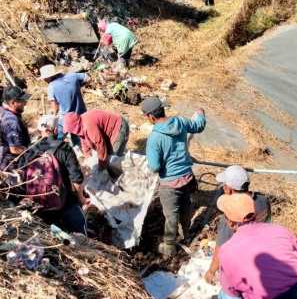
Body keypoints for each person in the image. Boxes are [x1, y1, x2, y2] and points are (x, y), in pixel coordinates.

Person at [216, 193, 297, 299]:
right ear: (254, 213)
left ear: (230, 223)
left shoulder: (227, 250)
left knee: (224, 295)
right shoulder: (280, 230)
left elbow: (231, 291)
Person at [142, 96, 206, 257]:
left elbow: (155, 166)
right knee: (185, 208)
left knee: (171, 216)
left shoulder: (155, 138)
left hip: (170, 184)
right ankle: (186, 234)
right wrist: (200, 113)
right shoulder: (181, 122)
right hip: (187, 177)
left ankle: (169, 247)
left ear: (150, 116)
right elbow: (198, 126)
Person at [17, 115, 88, 235]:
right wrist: (80, 198)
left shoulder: (30, 149)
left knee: (44, 235)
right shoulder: (64, 148)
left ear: (40, 130)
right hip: (64, 203)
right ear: (55, 130)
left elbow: (20, 176)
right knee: (81, 229)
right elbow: (77, 179)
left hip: (38, 205)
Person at [205, 165, 271, 284]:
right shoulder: (263, 200)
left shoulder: (230, 217)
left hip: (241, 261)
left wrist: (211, 271)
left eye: (224, 185)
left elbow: (221, 249)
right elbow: (268, 222)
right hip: (260, 252)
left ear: (228, 189)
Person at [63, 110, 129, 172]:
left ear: (74, 126)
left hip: (119, 128)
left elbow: (100, 145)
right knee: (108, 159)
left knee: (113, 161)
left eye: (70, 130)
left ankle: (123, 176)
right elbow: (83, 139)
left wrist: (101, 166)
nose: (71, 132)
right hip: (109, 133)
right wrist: (87, 156)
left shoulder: (88, 125)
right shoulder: (81, 123)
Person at [39, 64, 89, 143]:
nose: (44, 80)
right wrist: (78, 86)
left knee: (61, 136)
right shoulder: (72, 76)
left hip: (68, 117)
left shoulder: (51, 87)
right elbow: (87, 77)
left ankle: (75, 150)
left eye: (45, 78)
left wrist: (53, 118)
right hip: (82, 113)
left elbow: (55, 108)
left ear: (48, 77)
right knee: (86, 132)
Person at [0, 86, 31, 170]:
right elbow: (15, 149)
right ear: (13, 103)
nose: (25, 103)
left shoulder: (2, 110)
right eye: (22, 101)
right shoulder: (11, 120)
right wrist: (31, 151)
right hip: (11, 164)